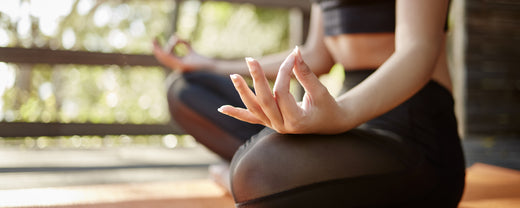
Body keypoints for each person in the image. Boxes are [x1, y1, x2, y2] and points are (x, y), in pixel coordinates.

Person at [153, 0, 466, 207]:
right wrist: (209, 64)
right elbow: (317, 55)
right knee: (187, 89)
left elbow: (419, 50)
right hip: (350, 125)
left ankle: (244, 165)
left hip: (413, 134)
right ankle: (276, 165)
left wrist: (342, 114)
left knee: (256, 173)